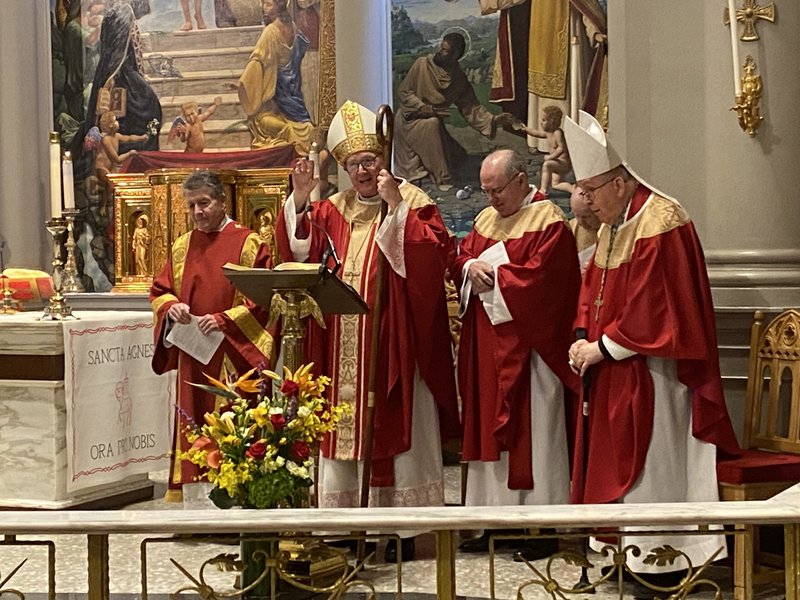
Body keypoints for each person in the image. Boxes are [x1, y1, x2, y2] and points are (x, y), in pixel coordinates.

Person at [275, 100, 461, 562]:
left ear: (384, 160)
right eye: (354, 164)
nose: (363, 171)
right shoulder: (331, 209)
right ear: (343, 169)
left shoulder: (413, 200)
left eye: (370, 161)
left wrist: (396, 209)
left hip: (394, 341)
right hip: (337, 344)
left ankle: (401, 529)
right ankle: (343, 527)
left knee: (397, 424)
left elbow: (430, 258)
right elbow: (298, 255)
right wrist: (301, 200)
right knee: (339, 429)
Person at [563, 111, 739, 597]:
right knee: (613, 459)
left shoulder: (662, 219)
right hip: (611, 367)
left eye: (592, 190)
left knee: (654, 464)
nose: (587, 202)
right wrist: (581, 336)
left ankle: (665, 560)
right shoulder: (612, 225)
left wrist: (600, 347)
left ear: (619, 184)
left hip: (657, 373)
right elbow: (591, 291)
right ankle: (620, 554)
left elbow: (656, 307)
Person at [454, 149, 581, 559]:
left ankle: (539, 526)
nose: (491, 199)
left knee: (533, 433)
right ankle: (493, 520)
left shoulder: (550, 221)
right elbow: (461, 256)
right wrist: (469, 267)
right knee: (488, 431)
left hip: (531, 348)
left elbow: (548, 282)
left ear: (521, 180)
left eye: (497, 190)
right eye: (485, 190)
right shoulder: (485, 219)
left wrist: (499, 277)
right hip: (486, 346)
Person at [150, 170, 274, 502]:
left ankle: (235, 499)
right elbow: (160, 290)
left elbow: (264, 298)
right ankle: (196, 502)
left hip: (232, 355)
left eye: (204, 203)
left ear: (222, 201)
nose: (198, 212)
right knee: (194, 422)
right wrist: (172, 307)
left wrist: (224, 319)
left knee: (233, 425)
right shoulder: (182, 246)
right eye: (191, 206)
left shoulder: (249, 243)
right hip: (194, 354)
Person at [393, 31, 516, 191]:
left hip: (433, 122)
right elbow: (404, 91)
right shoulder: (422, 64)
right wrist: (420, 106)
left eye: (445, 50)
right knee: (432, 125)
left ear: (455, 55)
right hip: (409, 120)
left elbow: (471, 107)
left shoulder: (458, 78)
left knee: (458, 157)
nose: (439, 51)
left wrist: (493, 120)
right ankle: (443, 178)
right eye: (441, 47)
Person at [236, 0, 314, 153]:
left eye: (268, 3)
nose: (263, 7)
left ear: (279, 5)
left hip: (280, 94)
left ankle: (295, 149)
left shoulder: (270, 32)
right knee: (302, 127)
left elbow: (257, 61)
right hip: (289, 91)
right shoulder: (292, 26)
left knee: (267, 122)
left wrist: (243, 84)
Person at [95, 111, 149, 215]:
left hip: (110, 167)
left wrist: (142, 137)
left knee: (110, 185)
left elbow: (129, 138)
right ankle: (105, 207)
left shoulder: (116, 136)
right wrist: (130, 153)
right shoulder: (106, 140)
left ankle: (105, 206)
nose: (118, 123)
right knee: (111, 184)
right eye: (115, 121)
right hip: (101, 167)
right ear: (110, 125)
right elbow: (116, 159)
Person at [524, 105, 573, 198]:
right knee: (556, 184)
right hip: (557, 162)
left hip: (563, 163)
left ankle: (543, 191)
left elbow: (561, 148)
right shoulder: (548, 133)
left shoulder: (557, 133)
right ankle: (573, 188)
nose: (541, 123)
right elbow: (537, 133)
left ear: (552, 122)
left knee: (547, 165)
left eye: (544, 120)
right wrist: (525, 128)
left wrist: (551, 157)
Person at [568, 184, 601, 276]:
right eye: (576, 215)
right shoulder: (570, 227)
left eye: (586, 217)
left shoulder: (611, 228)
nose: (580, 222)